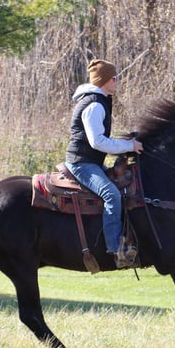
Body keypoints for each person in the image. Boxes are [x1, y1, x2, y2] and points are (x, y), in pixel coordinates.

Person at [64, 59, 143, 269]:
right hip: (82, 164)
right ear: (104, 80)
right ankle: (116, 250)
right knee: (112, 195)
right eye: (113, 78)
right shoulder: (94, 104)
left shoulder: (99, 101)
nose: (117, 81)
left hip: (90, 162)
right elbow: (97, 142)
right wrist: (129, 146)